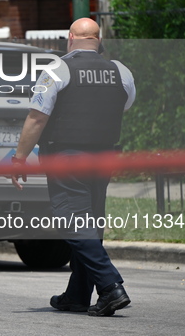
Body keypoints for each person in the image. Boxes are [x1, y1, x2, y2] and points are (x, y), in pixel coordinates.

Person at [10, 18, 136, 316]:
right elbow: (125, 105)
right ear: (98, 39)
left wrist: (19, 157)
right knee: (89, 223)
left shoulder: (57, 70)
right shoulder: (121, 71)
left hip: (66, 157)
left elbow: (37, 118)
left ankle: (111, 287)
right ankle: (77, 295)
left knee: (73, 221)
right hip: (104, 156)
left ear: (70, 38)